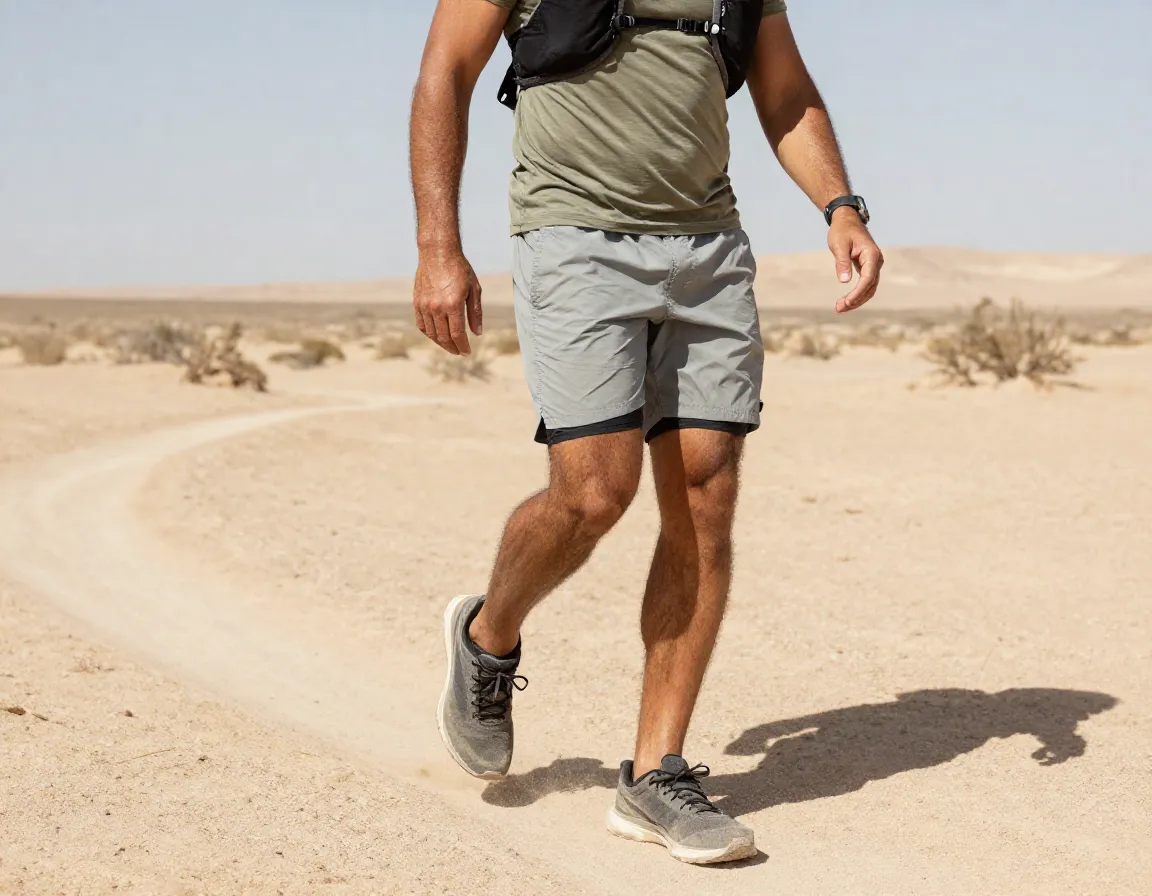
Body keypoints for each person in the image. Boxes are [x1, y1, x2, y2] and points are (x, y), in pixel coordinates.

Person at [410, 0, 883, 864]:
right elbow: (445, 71)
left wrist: (840, 207)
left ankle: (655, 772)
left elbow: (785, 91)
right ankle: (488, 634)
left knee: (707, 491)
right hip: (573, 237)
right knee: (595, 491)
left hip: (707, 250)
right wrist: (439, 243)